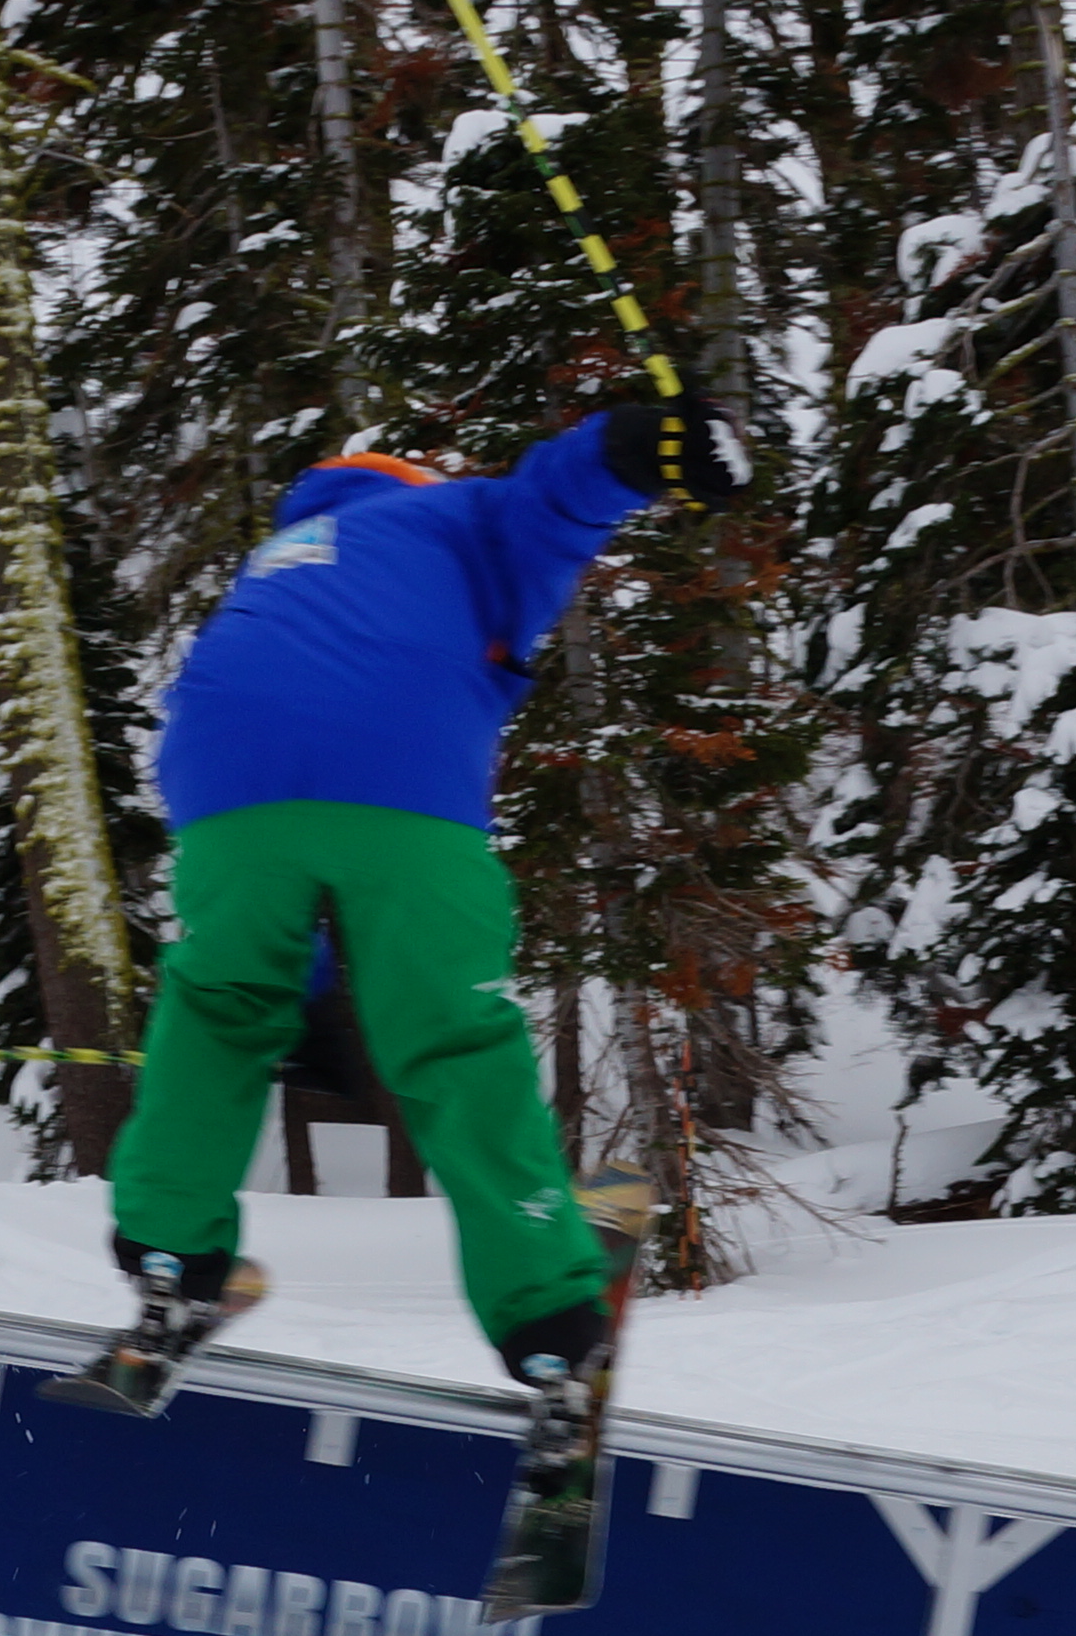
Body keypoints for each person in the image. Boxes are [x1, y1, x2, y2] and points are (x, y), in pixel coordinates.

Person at [95, 392, 760, 1398]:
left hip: (221, 781)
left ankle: (168, 1256)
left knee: (221, 1008)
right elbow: (553, 497)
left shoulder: (283, 559)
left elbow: (307, 780)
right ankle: (547, 1320)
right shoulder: (451, 516)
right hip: (398, 777)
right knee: (453, 1044)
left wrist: (310, 987)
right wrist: (641, 447)